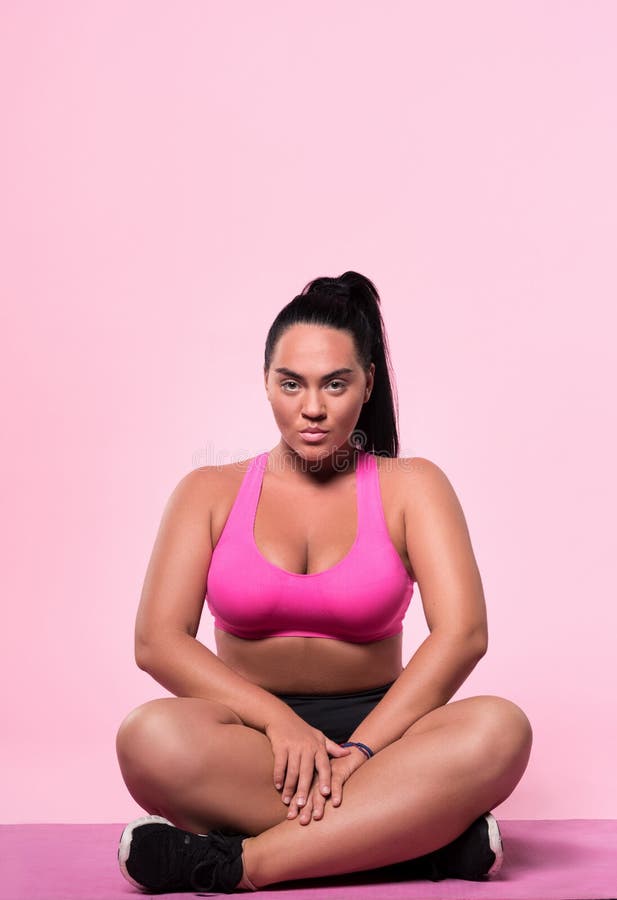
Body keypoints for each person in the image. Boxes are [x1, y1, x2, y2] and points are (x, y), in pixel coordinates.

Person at [115, 271, 533, 894]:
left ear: (367, 382)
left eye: (335, 384)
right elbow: (157, 642)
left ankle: (238, 864)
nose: (312, 408)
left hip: (387, 735)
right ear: (266, 383)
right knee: (149, 738)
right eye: (292, 384)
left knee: (501, 729)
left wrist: (362, 751)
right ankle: (415, 843)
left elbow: (464, 633)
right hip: (254, 740)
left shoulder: (412, 485)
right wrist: (279, 723)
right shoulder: (209, 491)